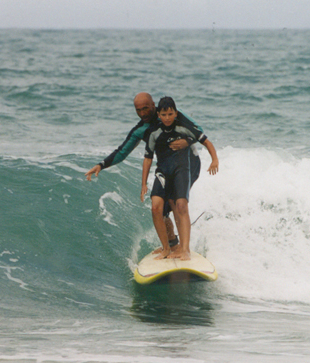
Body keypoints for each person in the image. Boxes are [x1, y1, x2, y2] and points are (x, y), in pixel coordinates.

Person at [85, 93, 189, 249]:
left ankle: (183, 248)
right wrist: (101, 164)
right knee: (159, 209)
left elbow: (197, 131)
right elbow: (122, 152)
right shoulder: (141, 130)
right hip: (166, 168)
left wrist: (187, 141)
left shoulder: (171, 114)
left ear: (153, 105)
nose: (142, 114)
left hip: (187, 163)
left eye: (145, 109)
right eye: (138, 110)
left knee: (174, 203)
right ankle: (172, 242)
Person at [141, 97, 218, 261]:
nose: (167, 117)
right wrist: (143, 184)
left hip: (181, 169)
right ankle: (166, 248)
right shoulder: (154, 132)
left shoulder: (184, 127)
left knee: (181, 205)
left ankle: (185, 249)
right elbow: (147, 158)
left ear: (176, 113)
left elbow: (206, 141)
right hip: (163, 171)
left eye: (170, 114)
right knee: (156, 208)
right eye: (164, 114)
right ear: (159, 115)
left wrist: (214, 159)